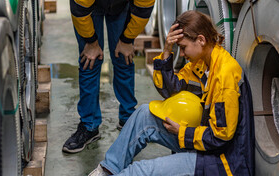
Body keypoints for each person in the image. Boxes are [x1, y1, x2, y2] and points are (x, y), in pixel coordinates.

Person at [88, 10, 255, 175]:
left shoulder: (224, 75)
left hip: (223, 162)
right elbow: (170, 90)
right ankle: (108, 169)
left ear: (201, 40)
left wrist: (182, 132)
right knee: (144, 114)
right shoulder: (201, 65)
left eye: (183, 48)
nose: (181, 54)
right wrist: (167, 50)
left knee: (139, 171)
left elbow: (221, 138)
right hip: (204, 145)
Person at [62, 0, 160, 154]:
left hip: (123, 3)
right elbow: (79, 8)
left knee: (124, 59)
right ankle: (89, 126)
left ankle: (128, 118)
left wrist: (127, 40)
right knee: (90, 60)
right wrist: (91, 42)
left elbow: (144, 6)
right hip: (90, 7)